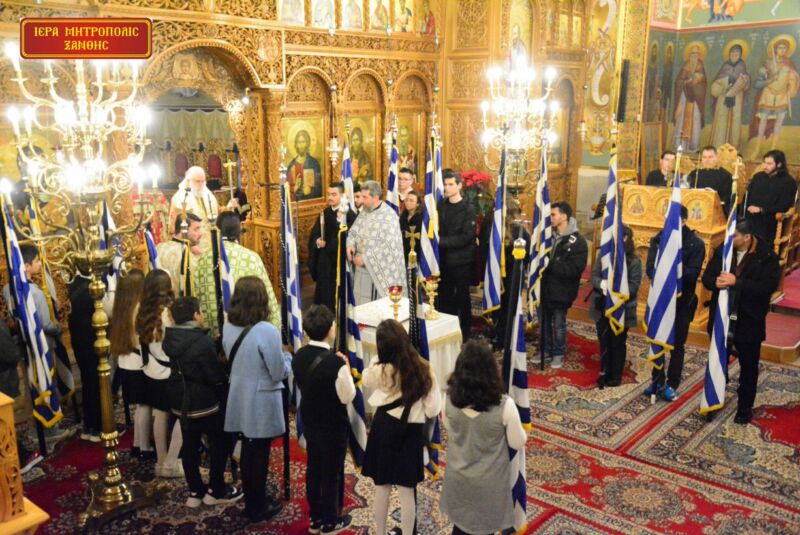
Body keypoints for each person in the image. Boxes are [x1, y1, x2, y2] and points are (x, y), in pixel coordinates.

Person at [362, 320, 441, 535]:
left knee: (382, 487)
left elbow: (365, 380)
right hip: (410, 432)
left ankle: (380, 532)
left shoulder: (379, 368)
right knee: (407, 492)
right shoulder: (424, 368)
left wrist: (378, 360)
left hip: (384, 427)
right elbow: (433, 409)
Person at [440, 340, 526, 535]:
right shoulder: (505, 406)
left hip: (458, 479)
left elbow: (449, 428)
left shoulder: (447, 399)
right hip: (489, 486)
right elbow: (518, 442)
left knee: (460, 528)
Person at [223, 276, 291, 523]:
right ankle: (257, 506)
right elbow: (278, 371)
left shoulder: (228, 325)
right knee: (259, 452)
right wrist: (288, 358)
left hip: (239, 396)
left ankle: (252, 500)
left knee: (248, 448)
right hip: (260, 400)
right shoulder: (267, 330)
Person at [163, 296, 242, 507]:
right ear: (195, 315)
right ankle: (216, 489)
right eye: (201, 312)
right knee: (220, 442)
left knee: (189, 445)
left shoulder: (170, 338)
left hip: (180, 401)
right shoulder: (201, 341)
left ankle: (195, 491)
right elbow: (214, 376)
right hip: (204, 402)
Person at [702, 220, 780, 424]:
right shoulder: (724, 250)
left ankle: (744, 407)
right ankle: (713, 400)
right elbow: (708, 277)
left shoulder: (767, 256)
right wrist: (715, 282)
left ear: (746, 238)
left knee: (749, 366)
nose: (729, 239)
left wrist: (738, 283)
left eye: (734, 235)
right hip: (722, 317)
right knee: (717, 360)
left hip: (749, 320)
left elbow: (767, 287)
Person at [292, 305, 356, 534]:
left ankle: (315, 518)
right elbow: (347, 396)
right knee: (331, 474)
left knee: (314, 469)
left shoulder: (298, 356)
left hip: (310, 421)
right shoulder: (336, 363)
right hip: (332, 426)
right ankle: (330, 522)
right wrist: (346, 368)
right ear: (331, 330)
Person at [644, 205, 705, 400]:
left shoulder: (696, 244)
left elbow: (693, 273)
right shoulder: (658, 239)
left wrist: (671, 272)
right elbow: (650, 269)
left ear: (684, 221)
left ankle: (672, 383)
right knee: (658, 338)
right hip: (661, 301)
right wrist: (662, 274)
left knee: (677, 344)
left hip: (682, 302)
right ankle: (657, 380)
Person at [195, 211, 280, 339]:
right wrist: (275, 327)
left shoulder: (203, 260)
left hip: (212, 332)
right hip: (246, 333)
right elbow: (266, 295)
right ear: (238, 232)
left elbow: (198, 294)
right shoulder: (250, 258)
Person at [135, 269, 184, 478]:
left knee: (160, 414)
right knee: (185, 416)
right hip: (169, 372)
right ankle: (171, 462)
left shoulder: (142, 311)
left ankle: (160, 461)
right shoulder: (168, 314)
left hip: (151, 370)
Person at [109, 269, 155, 459]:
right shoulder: (139, 309)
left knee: (140, 406)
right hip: (138, 364)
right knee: (145, 406)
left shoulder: (121, 308)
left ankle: (137, 444)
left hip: (125, 363)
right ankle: (145, 448)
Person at [589, 226, 642, 388]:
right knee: (604, 340)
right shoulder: (603, 255)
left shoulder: (634, 260)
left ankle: (615, 375)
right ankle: (604, 371)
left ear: (626, 239)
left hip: (623, 308)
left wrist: (617, 290)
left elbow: (634, 287)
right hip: (602, 305)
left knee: (617, 342)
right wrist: (602, 284)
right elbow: (594, 276)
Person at [540, 202, 588, 369]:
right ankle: (545, 350)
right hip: (545, 288)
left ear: (564, 216)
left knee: (559, 324)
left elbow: (575, 269)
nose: (550, 218)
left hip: (562, 290)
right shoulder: (548, 237)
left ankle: (558, 353)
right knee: (544, 322)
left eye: (553, 214)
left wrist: (551, 264)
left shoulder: (578, 242)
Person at [346, 181, 406, 305]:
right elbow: (353, 232)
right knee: (361, 305)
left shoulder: (389, 216)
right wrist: (350, 245)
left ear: (376, 197)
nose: (362, 201)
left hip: (377, 272)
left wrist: (366, 259)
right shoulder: (365, 211)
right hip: (360, 270)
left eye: (365, 197)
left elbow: (390, 246)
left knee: (377, 307)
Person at [0, 306, 42, 474]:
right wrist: (20, 351)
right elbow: (9, 353)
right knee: (3, 422)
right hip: (3, 377)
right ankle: (20, 458)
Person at [437, 170, 476, 340]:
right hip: (443, 260)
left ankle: (465, 333)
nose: (447, 187)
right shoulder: (441, 205)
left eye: (451, 184)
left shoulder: (469, 208)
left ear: (459, 186)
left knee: (462, 298)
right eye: (445, 184)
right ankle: (447, 331)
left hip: (461, 261)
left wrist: (441, 241)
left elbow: (467, 237)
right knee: (444, 297)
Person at [309, 184, 357, 312]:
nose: (330, 197)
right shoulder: (324, 213)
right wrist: (318, 241)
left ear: (342, 196)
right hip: (325, 262)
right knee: (324, 295)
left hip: (340, 261)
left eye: (334, 194)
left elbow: (349, 238)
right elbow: (315, 234)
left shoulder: (350, 215)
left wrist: (340, 221)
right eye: (328, 194)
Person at [492, 199, 530, 349]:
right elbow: (526, 257)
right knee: (510, 307)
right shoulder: (521, 232)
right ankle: (509, 337)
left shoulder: (496, 229)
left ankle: (497, 335)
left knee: (498, 306)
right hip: (514, 276)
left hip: (498, 275)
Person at [743, 150, 798, 246]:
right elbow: (747, 198)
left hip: (771, 220)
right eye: (764, 162)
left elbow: (784, 206)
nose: (765, 166)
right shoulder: (758, 177)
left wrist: (761, 209)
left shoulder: (788, 182)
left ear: (779, 164)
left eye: (769, 164)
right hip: (751, 217)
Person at [750, 38, 800, 142]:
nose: (782, 50)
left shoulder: (788, 64)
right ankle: (759, 144)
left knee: (779, 121)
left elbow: (794, 78)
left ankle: (774, 145)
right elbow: (758, 82)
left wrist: (790, 84)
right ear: (775, 49)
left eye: (784, 48)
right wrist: (769, 77)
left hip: (782, 95)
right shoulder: (768, 63)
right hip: (768, 94)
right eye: (780, 48)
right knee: (763, 118)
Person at [169, 166, 220, 254]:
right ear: (189, 181)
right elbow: (177, 226)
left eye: (203, 181)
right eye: (197, 181)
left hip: (211, 241)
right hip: (193, 245)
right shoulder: (180, 198)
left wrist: (229, 207)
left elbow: (215, 214)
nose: (201, 184)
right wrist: (191, 245)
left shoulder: (208, 195)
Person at [709, 43, 750, 148]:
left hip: (737, 97)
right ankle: (718, 146)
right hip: (723, 96)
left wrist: (745, 80)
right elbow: (717, 82)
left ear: (740, 55)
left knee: (735, 120)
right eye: (732, 52)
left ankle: (733, 147)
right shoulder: (725, 67)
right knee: (721, 119)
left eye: (737, 53)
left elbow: (746, 85)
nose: (734, 54)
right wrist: (721, 85)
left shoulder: (742, 67)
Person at [156, 212, 203, 296]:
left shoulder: (158, 248)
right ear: (183, 230)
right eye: (196, 229)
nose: (200, 234)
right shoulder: (189, 257)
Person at [672, 44, 707, 152]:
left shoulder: (700, 66)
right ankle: (680, 145)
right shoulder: (686, 65)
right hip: (684, 97)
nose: (694, 56)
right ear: (689, 55)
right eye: (692, 54)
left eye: (696, 54)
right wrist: (685, 82)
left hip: (696, 100)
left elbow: (703, 84)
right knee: (681, 119)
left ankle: (693, 145)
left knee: (695, 120)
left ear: (699, 55)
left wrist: (696, 83)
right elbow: (678, 81)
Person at [686, 146, 733, 216]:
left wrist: (713, 196)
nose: (707, 160)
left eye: (710, 157)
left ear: (716, 157)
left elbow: (726, 199)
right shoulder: (694, 173)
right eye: (704, 157)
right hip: (693, 209)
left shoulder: (726, 176)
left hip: (715, 212)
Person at [287, 130, 323, 200]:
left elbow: (319, 186)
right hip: (295, 202)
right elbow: (286, 188)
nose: (301, 145)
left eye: (303, 142)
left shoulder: (314, 163)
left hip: (311, 201)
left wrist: (311, 190)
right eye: (299, 142)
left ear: (307, 143)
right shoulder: (291, 165)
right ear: (296, 144)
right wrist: (294, 188)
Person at [399, 190, 423, 263]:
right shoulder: (403, 215)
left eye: (411, 200)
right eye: (406, 200)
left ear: (417, 204)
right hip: (403, 250)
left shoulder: (421, 218)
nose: (408, 202)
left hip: (417, 251)